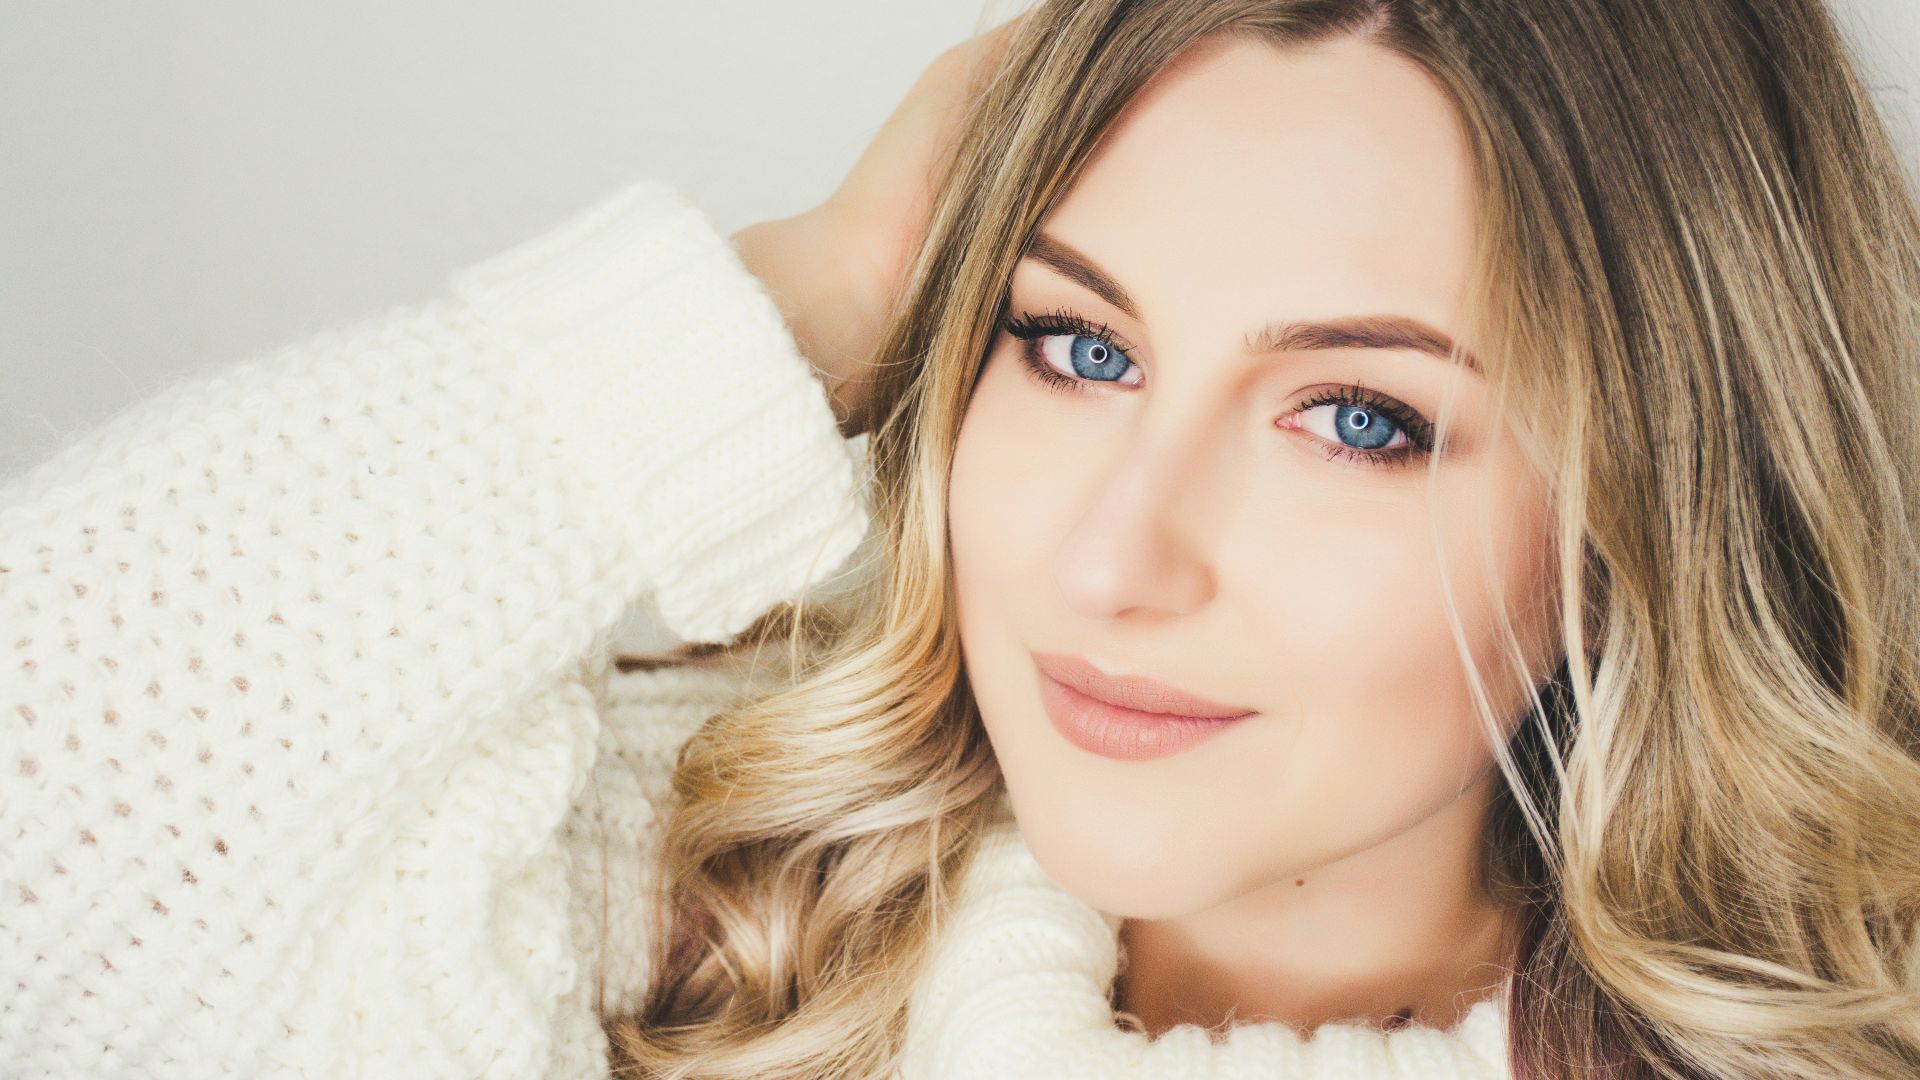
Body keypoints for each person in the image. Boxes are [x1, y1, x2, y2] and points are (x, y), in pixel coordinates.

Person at [5, 1, 1919, 1078]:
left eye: (1359, 417)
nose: (1113, 557)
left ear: (1656, 512)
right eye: (1074, 343)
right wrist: (814, 291)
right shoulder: (686, 916)